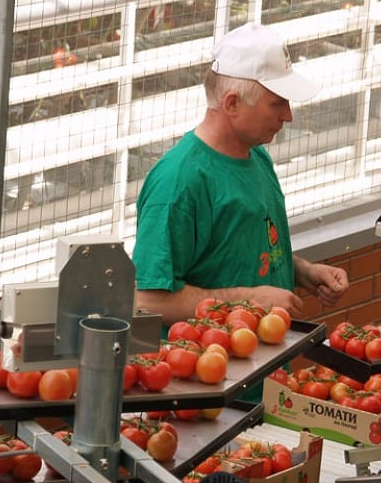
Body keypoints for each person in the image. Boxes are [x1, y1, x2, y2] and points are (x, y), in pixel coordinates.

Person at [132, 22, 349, 326]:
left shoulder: (256, 154)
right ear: (232, 103)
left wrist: (302, 271)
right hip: (213, 366)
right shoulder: (178, 183)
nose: (288, 115)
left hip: (263, 361)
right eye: (277, 103)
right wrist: (249, 300)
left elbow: (242, 253)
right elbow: (148, 301)